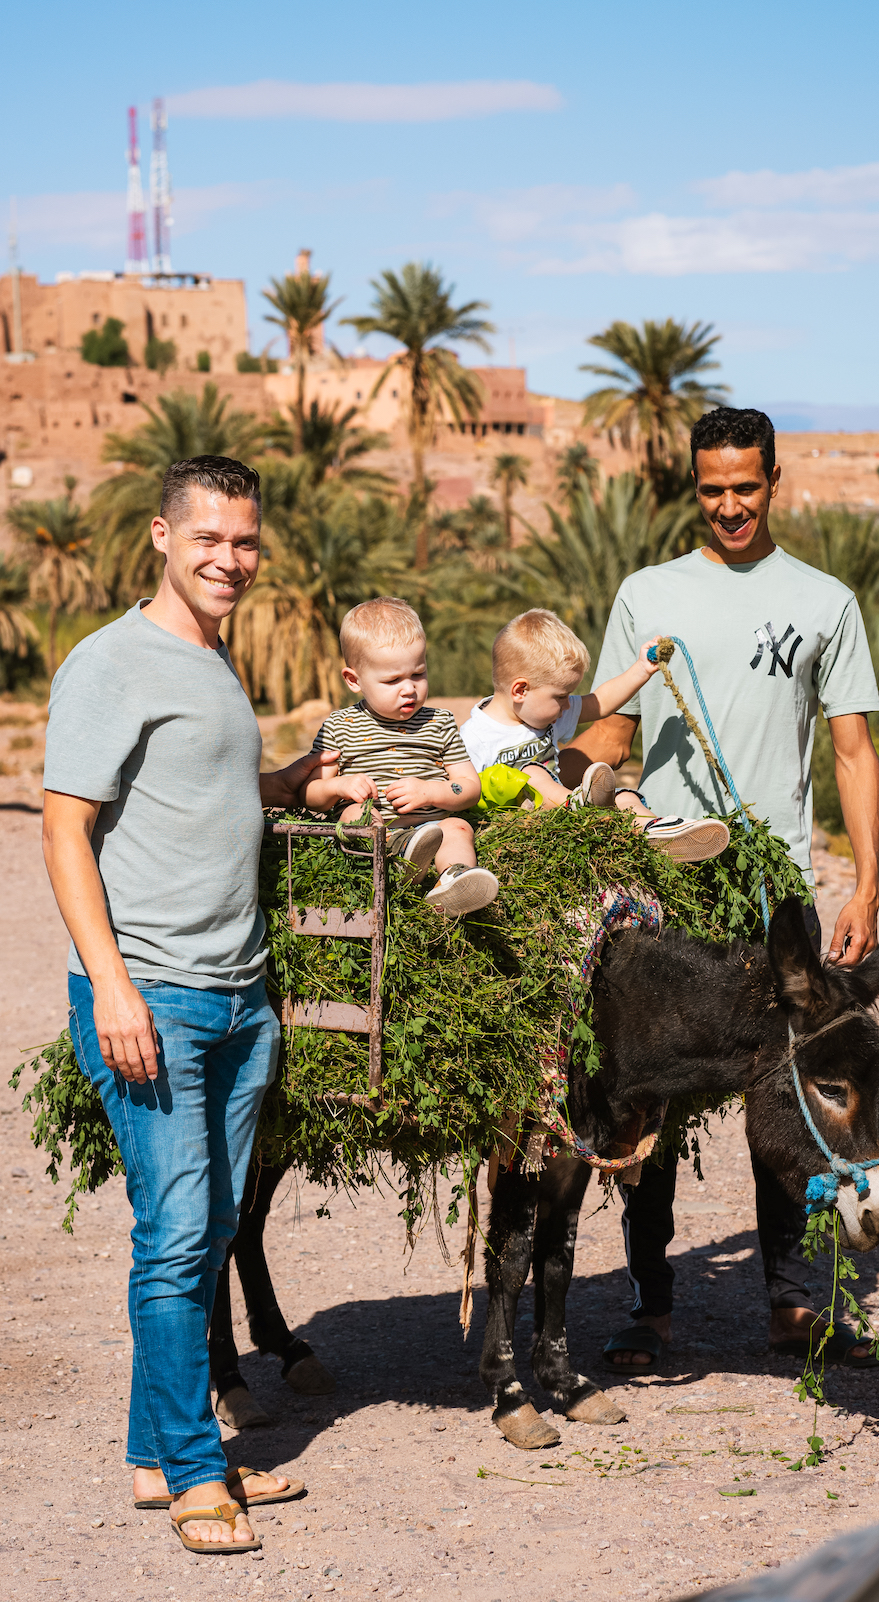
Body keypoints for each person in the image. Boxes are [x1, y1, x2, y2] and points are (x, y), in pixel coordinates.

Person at [42, 456, 339, 1554]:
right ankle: (198, 1473)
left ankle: (149, 1458)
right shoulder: (111, 662)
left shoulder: (215, 663)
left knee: (208, 1227)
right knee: (174, 1237)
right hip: (152, 996)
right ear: (161, 536)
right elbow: (62, 826)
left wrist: (292, 781)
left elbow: (201, 793)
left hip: (239, 994)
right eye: (210, 537)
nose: (231, 558)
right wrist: (112, 986)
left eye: (247, 542)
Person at [561, 407, 879, 1372]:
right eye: (712, 490)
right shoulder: (646, 592)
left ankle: (794, 1306)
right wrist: (511, 775)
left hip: (774, 897)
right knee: (644, 1096)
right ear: (692, 487)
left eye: (746, 487)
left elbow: (854, 749)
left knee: (787, 1105)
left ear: (775, 480)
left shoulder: (825, 601)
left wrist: (865, 884)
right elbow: (607, 738)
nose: (730, 506)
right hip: (664, 883)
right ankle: (651, 1308)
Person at [459, 608, 731, 861]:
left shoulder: (542, 711)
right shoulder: (474, 737)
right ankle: (581, 804)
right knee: (533, 774)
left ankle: (658, 832)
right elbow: (462, 793)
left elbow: (600, 702)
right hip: (517, 820)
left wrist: (640, 670)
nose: (567, 705)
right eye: (561, 696)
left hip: (561, 807)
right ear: (520, 690)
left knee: (625, 797)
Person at [300, 596, 500, 916]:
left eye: (418, 674)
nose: (409, 688)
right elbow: (311, 795)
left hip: (431, 826)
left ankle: (453, 878)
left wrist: (430, 791)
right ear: (354, 680)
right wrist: (339, 787)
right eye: (393, 680)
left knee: (459, 827)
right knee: (354, 817)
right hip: (378, 830)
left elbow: (469, 787)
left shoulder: (439, 722)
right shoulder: (340, 727)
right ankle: (392, 861)